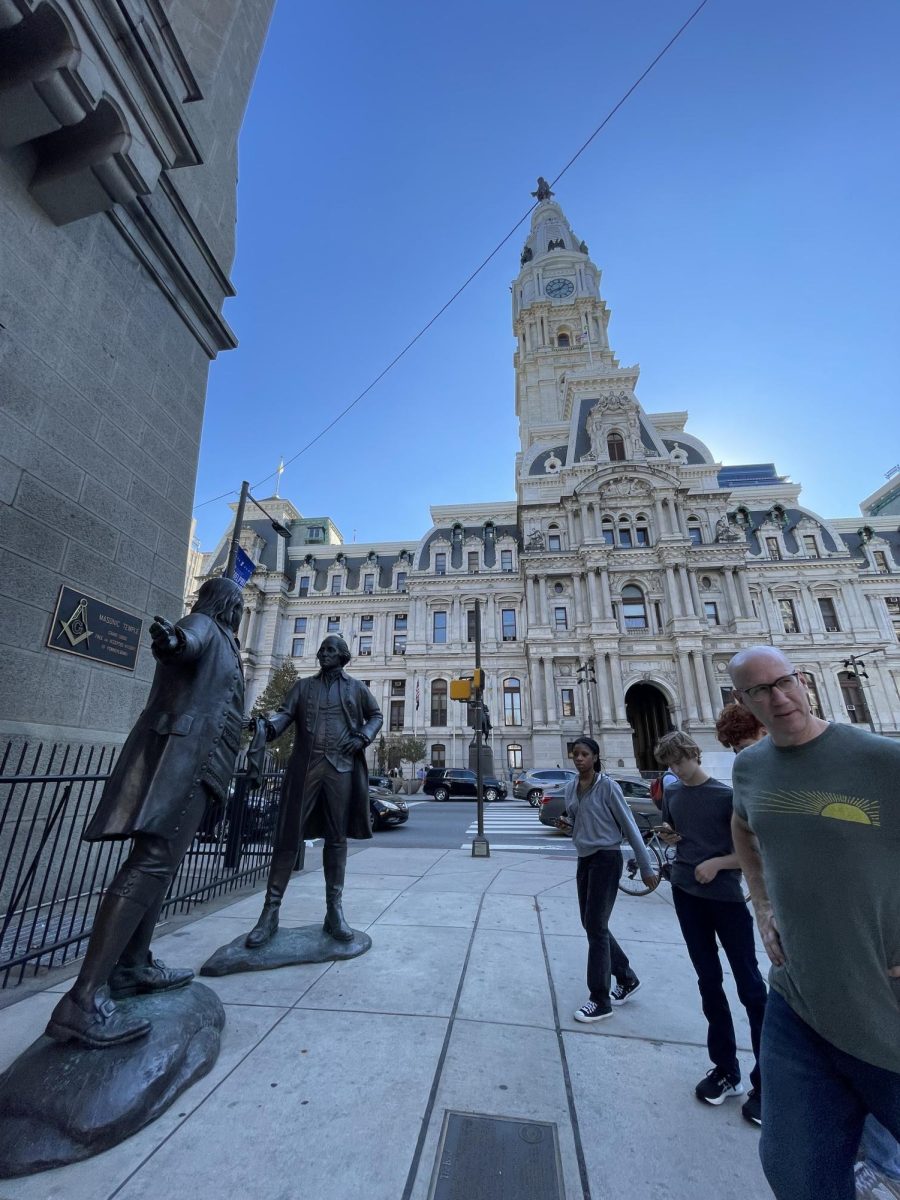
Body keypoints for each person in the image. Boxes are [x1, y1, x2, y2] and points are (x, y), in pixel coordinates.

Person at [728, 646, 900, 1200]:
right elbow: (742, 830)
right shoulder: (751, 766)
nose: (778, 698)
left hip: (885, 1008)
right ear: (743, 702)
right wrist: (762, 904)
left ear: (804, 680)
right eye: (760, 691)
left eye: (785, 682)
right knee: (795, 1170)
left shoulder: (880, 760)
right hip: (798, 1002)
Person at [46, 577, 246, 1048]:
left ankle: (133, 967)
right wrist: (172, 641)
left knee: (163, 866)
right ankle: (82, 999)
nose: (239, 613)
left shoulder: (227, 641)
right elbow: (183, 643)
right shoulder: (202, 625)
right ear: (228, 604)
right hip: (182, 760)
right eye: (237, 605)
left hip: (201, 764)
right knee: (152, 861)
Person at [654, 731, 767, 1125]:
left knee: (751, 987)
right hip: (687, 894)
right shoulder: (674, 794)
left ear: (694, 754)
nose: (674, 771)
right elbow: (675, 833)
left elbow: (752, 854)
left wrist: (718, 864)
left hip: (726, 900)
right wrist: (668, 835)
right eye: (668, 765)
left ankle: (765, 1083)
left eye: (678, 762)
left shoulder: (726, 797)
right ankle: (725, 1070)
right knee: (708, 982)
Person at [245, 635, 382, 948]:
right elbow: (283, 714)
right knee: (288, 836)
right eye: (321, 649)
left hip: (341, 769)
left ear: (343, 656)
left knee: (336, 839)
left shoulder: (356, 688)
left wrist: (363, 736)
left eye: (330, 650)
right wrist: (267, 726)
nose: (323, 654)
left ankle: (334, 912)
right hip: (305, 768)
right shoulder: (304, 687)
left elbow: (376, 715)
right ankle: (270, 913)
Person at [560, 736, 656, 1022]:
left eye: (584, 754)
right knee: (590, 924)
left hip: (607, 858)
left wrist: (646, 866)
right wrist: (568, 826)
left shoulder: (608, 787)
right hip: (585, 858)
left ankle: (599, 999)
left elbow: (629, 825)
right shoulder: (570, 789)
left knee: (596, 928)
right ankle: (626, 977)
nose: (579, 759)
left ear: (595, 757)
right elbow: (577, 824)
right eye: (575, 754)